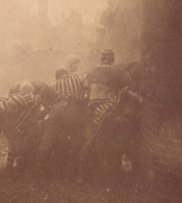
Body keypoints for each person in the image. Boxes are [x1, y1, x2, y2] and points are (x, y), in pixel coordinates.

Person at [78, 49, 138, 182]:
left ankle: (81, 175)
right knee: (116, 139)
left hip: (92, 109)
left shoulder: (91, 71)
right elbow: (130, 87)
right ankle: (115, 173)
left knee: (89, 139)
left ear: (101, 58)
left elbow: (84, 90)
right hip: (109, 109)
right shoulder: (120, 72)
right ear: (113, 59)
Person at [36, 69, 88, 176]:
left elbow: (44, 100)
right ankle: (78, 170)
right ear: (67, 74)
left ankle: (38, 166)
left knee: (48, 138)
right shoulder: (77, 78)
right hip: (73, 109)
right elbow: (85, 93)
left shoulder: (53, 84)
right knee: (76, 137)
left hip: (57, 110)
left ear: (57, 77)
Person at [2, 83, 56, 171]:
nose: (47, 104)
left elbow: (32, 117)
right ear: (44, 98)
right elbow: (26, 118)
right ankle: (9, 168)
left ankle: (9, 167)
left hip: (16, 126)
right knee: (17, 146)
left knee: (14, 146)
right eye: (47, 102)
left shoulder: (36, 102)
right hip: (15, 126)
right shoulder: (33, 101)